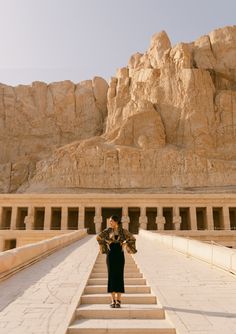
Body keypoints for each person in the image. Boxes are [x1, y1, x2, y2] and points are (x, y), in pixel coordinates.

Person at [96, 215, 137, 308]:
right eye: (109, 221)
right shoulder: (108, 231)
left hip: (119, 255)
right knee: (111, 276)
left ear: (116, 221)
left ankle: (118, 300)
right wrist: (106, 242)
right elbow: (98, 237)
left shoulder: (123, 231)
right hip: (110, 255)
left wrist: (125, 243)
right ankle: (112, 300)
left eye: (111, 221)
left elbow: (132, 238)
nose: (110, 222)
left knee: (119, 276)